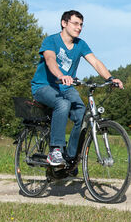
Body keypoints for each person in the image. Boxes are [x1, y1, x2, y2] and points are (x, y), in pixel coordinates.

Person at [31, 10, 123, 166]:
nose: (79, 27)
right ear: (64, 23)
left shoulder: (80, 44)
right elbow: (50, 59)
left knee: (81, 113)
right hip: (44, 86)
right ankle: (56, 150)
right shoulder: (51, 40)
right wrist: (61, 75)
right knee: (63, 104)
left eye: (81, 24)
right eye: (75, 23)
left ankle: (71, 158)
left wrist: (110, 78)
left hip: (66, 88)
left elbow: (95, 62)